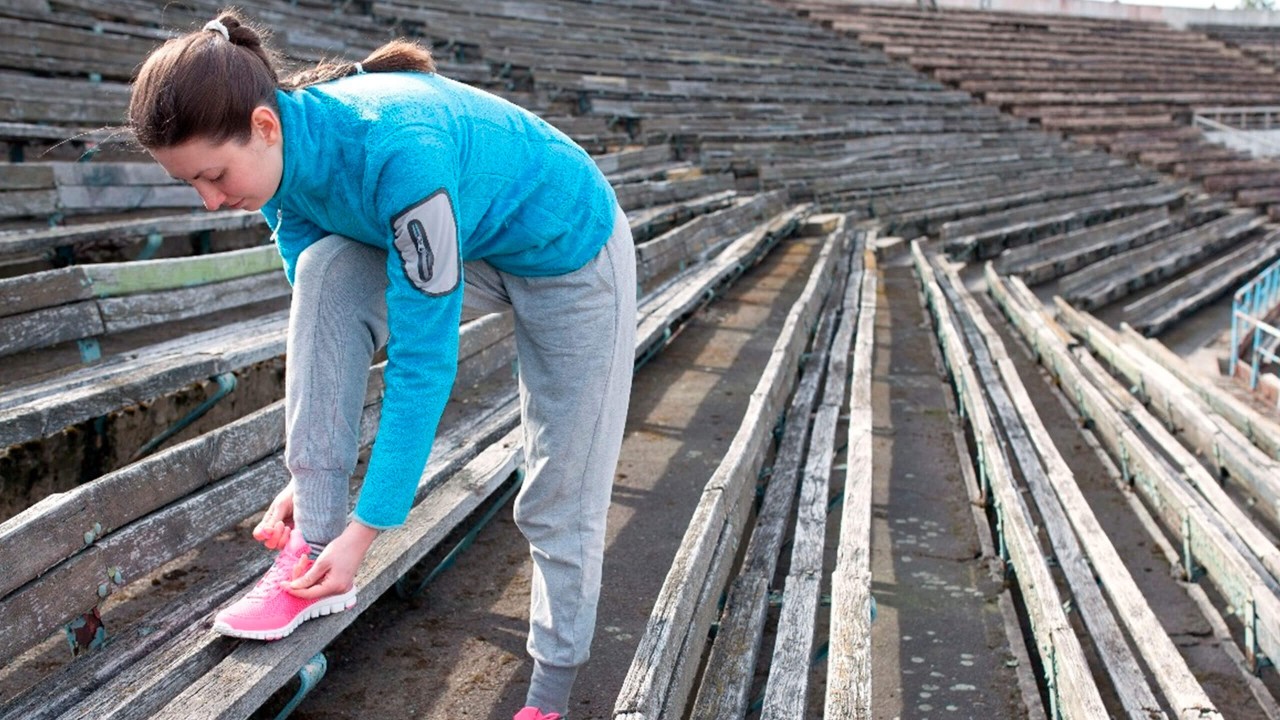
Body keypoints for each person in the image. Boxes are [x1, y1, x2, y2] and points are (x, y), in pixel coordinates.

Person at [128, 11, 636, 720]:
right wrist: (314, 489)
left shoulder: (401, 154)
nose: (211, 200)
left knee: (559, 491)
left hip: (570, 251)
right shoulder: (277, 176)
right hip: (478, 232)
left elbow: (423, 365)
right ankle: (309, 554)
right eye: (193, 185)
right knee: (326, 269)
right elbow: (324, 325)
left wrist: (366, 529)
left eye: (213, 175)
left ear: (265, 126)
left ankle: (549, 697)